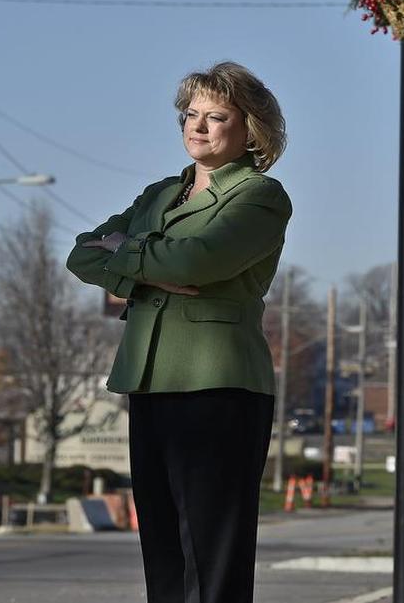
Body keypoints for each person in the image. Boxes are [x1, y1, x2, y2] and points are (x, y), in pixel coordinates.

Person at [66, 61, 291, 603]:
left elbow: (199, 261)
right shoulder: (160, 194)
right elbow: (81, 254)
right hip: (150, 379)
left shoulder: (259, 195)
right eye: (191, 115)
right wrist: (156, 266)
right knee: (163, 546)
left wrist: (132, 260)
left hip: (218, 384)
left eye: (216, 117)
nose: (198, 127)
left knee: (212, 552)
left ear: (250, 129)